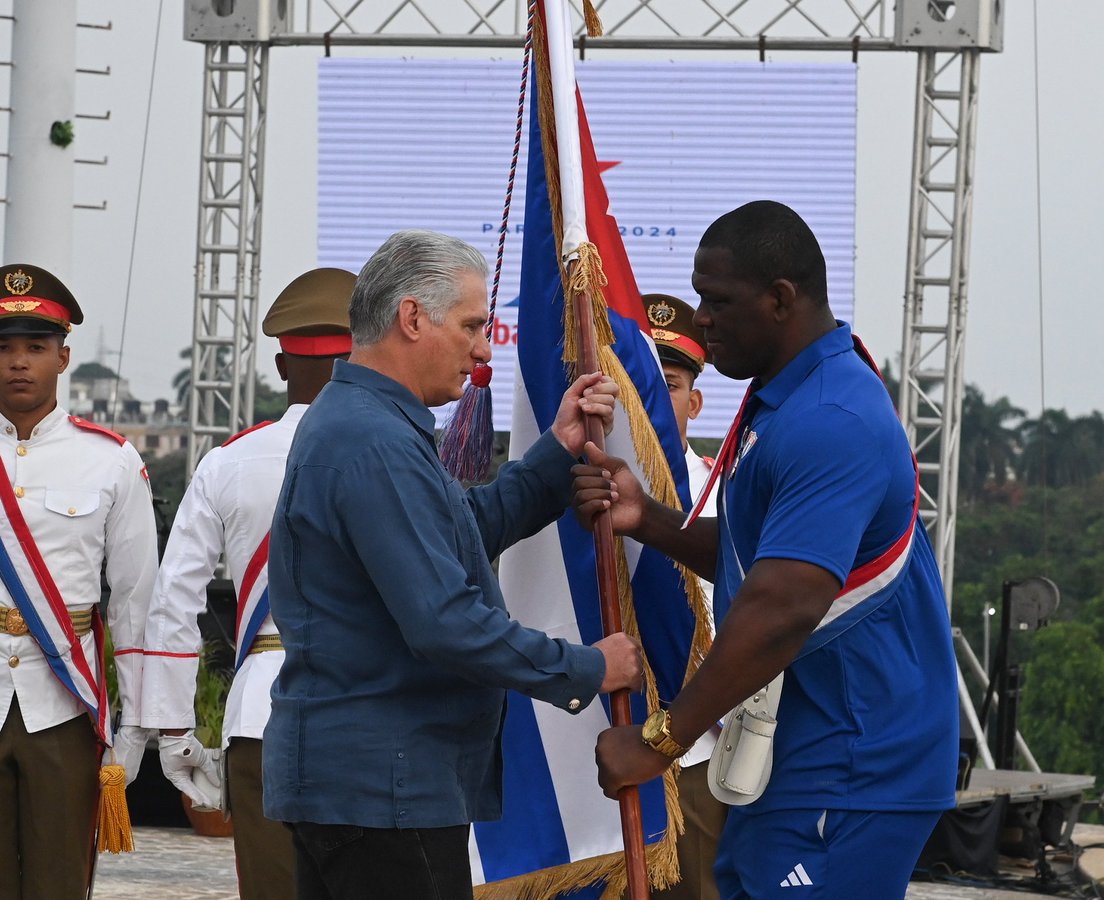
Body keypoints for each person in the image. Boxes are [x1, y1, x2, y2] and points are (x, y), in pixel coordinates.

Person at [575, 202, 959, 899]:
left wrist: (658, 741)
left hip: (854, 762)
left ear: (781, 299)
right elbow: (760, 558)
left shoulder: (829, 418)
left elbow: (781, 606)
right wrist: (651, 520)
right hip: (801, 755)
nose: (701, 319)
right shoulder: (793, 396)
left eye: (717, 301)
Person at [260, 229, 644, 900]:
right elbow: (445, 621)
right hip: (385, 789)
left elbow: (465, 531)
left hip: (371, 784)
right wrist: (586, 666)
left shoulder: (368, 425)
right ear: (412, 318)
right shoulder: (373, 441)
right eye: (470, 325)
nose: (481, 348)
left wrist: (557, 450)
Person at [141, 268, 355, 900]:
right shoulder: (405, 454)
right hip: (370, 716)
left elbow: (174, 599)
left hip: (262, 716)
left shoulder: (226, 462)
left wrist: (176, 731)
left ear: (282, 365)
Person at [0, 263, 158, 898]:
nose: (18, 363)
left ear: (63, 358)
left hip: (61, 702)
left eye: (35, 348)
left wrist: (135, 729)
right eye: (5, 348)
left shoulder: (111, 461)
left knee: (58, 882)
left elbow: (135, 603)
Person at [643, 291, 725, 900]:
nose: (648, 397)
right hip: (585, 745)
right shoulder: (563, 491)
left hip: (696, 752)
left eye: (667, 383)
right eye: (635, 378)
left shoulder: (728, 494)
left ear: (694, 401)